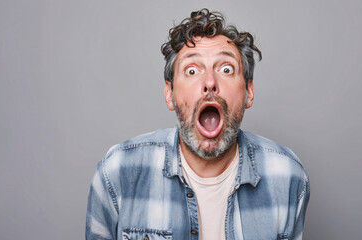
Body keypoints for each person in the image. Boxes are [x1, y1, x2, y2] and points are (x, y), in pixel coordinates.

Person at [86, 8, 310, 240]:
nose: (210, 82)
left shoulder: (288, 177)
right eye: (192, 70)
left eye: (226, 69)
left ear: (249, 92)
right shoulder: (117, 172)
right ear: (169, 93)